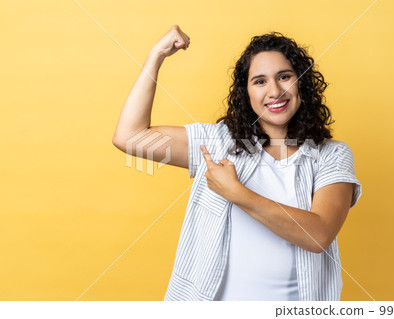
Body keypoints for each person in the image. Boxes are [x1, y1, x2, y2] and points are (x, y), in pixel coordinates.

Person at [112, 25, 362, 301]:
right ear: (246, 93)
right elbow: (130, 137)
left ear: (301, 82)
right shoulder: (218, 142)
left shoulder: (332, 155)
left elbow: (319, 234)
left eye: (284, 76)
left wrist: (236, 193)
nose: (275, 90)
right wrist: (156, 55)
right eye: (260, 81)